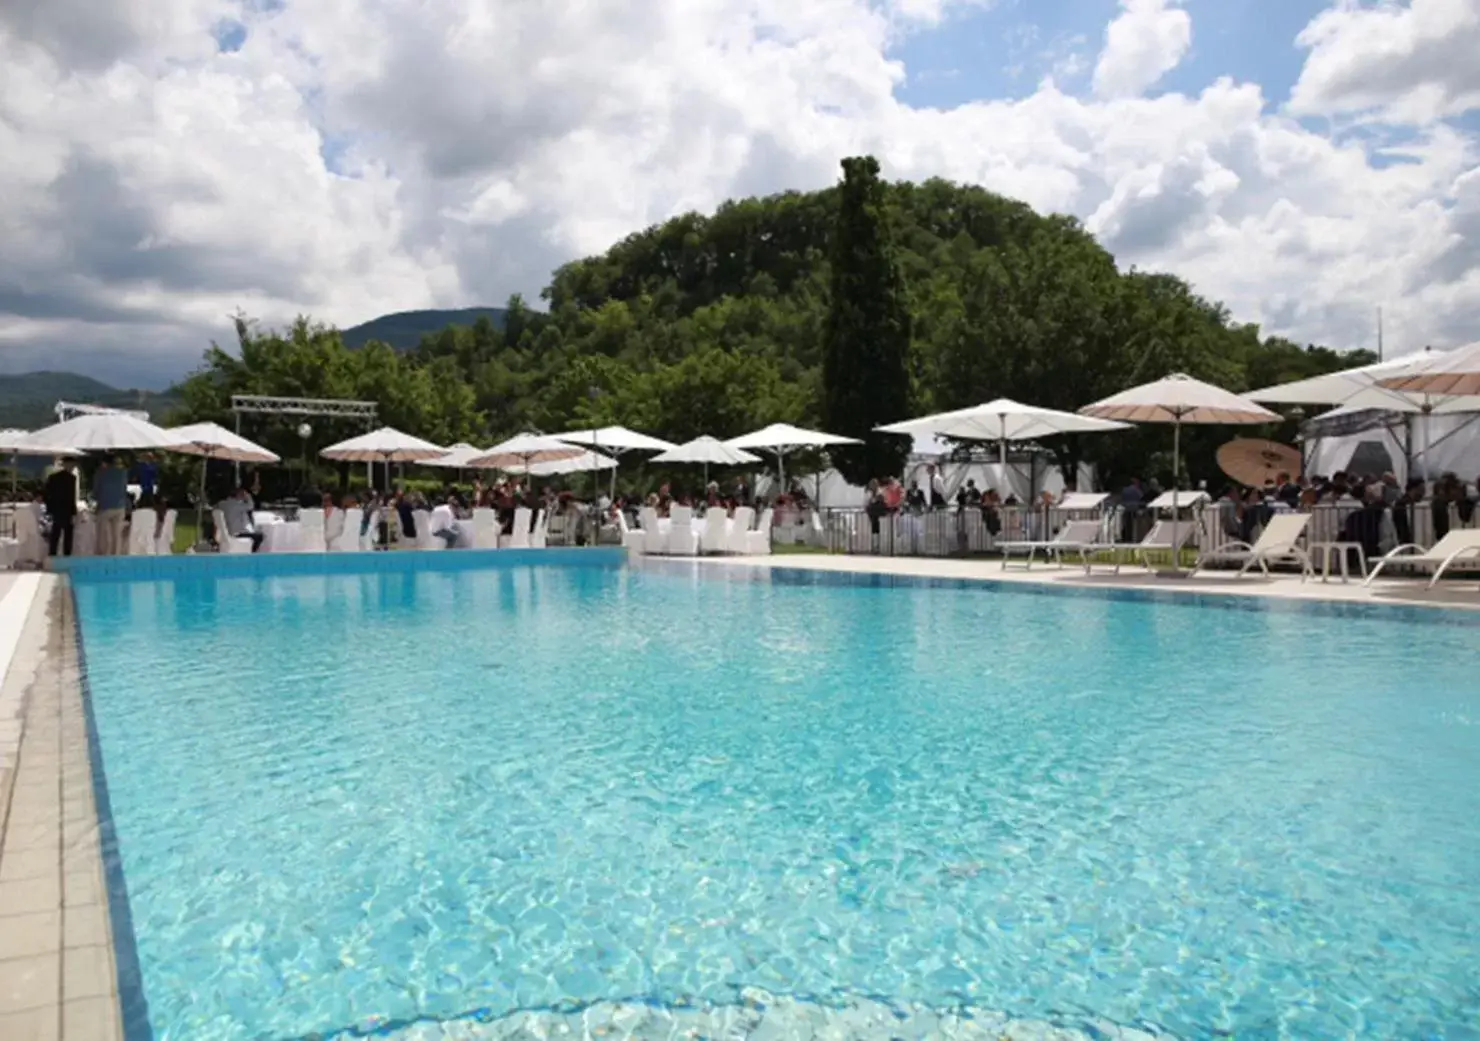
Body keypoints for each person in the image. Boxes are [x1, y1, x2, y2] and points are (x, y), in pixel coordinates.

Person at [92, 456, 129, 555]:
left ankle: (103, 553)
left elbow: (96, 491)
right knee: (116, 533)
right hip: (120, 506)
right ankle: (115, 554)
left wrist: (96, 499)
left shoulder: (100, 473)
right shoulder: (123, 472)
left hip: (105, 506)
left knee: (102, 533)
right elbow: (124, 489)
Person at [43, 459, 79, 557]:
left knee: (55, 534)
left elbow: (46, 494)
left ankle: (52, 554)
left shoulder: (53, 477)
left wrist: (49, 508)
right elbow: (72, 497)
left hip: (56, 510)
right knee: (67, 535)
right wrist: (74, 512)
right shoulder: (72, 478)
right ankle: (67, 554)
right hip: (66, 510)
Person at [219, 486, 264, 552]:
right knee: (259, 536)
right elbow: (251, 506)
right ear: (238, 495)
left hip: (227, 532)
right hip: (237, 533)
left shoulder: (222, 504)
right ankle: (252, 554)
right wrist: (248, 496)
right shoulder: (238, 505)